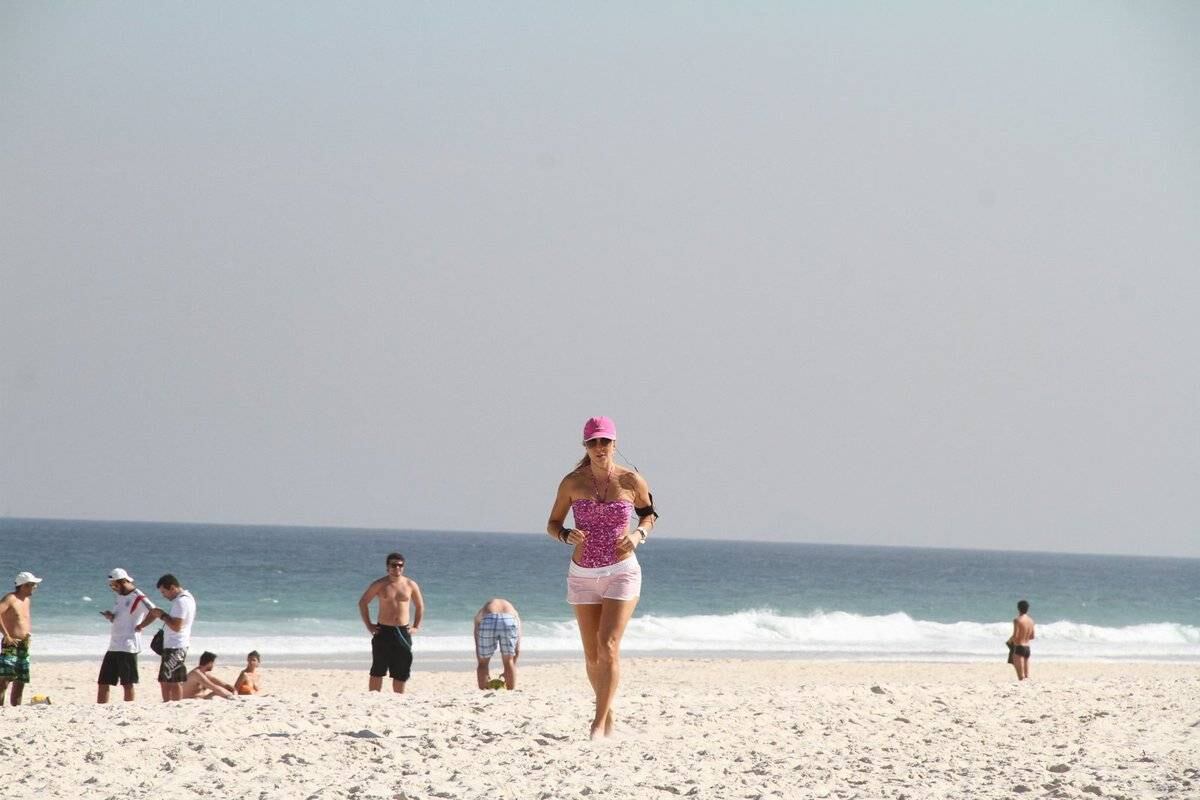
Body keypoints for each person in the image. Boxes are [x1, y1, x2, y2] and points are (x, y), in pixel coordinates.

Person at [547, 416, 658, 739]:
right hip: (582, 574)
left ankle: (596, 725)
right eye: (593, 442)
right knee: (593, 654)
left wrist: (638, 535)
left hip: (621, 571)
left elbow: (649, 514)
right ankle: (607, 713)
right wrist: (565, 535)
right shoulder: (572, 482)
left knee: (607, 644)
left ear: (614, 444)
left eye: (604, 441)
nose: (599, 448)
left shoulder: (631, 480)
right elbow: (552, 524)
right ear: (585, 445)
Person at [358, 552, 424, 693]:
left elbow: (419, 606)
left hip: (402, 631)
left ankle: (398, 699)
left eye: (400, 565)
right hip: (383, 631)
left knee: (401, 669)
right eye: (393, 565)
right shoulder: (380, 584)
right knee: (378, 668)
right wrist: (369, 625)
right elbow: (363, 602)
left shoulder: (410, 584)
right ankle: (373, 698)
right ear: (387, 567)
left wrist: (416, 626)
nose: (397, 568)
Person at [97, 568, 156, 703]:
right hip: (114, 644)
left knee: (127, 682)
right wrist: (111, 616)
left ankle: (128, 708)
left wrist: (141, 625)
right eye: (111, 585)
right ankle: (100, 708)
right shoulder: (120, 596)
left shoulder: (139, 596)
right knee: (103, 681)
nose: (113, 588)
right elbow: (120, 616)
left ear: (123, 581)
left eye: (114, 585)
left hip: (128, 645)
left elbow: (154, 611)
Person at [142, 574, 196, 702]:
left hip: (176, 645)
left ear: (172, 588)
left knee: (172, 680)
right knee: (165, 679)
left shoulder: (181, 601)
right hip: (175, 644)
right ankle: (169, 703)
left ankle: (173, 704)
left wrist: (162, 615)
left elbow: (177, 626)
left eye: (164, 592)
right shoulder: (187, 598)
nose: (163, 595)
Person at [0, 572, 42, 706]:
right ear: (24, 586)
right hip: (11, 643)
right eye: (33, 585)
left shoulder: (27, 600)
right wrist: (6, 635)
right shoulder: (10, 598)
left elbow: (23, 620)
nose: (35, 587)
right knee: (5, 677)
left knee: (21, 679)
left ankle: (15, 708)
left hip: (24, 644)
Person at [474, 598, 521, 690]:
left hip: (489, 618)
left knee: (483, 663)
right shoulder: (514, 613)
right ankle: (510, 690)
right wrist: (511, 664)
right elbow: (517, 646)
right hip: (509, 619)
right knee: (509, 661)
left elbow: (476, 633)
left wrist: (479, 656)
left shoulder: (481, 612)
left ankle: (483, 689)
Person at [1006, 599, 1036, 681]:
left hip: (1019, 647)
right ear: (1027, 609)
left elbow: (1015, 636)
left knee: (1021, 677)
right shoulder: (1031, 621)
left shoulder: (1017, 620)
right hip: (1027, 648)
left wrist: (1009, 641)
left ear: (1018, 608)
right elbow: (1032, 636)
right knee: (1026, 676)